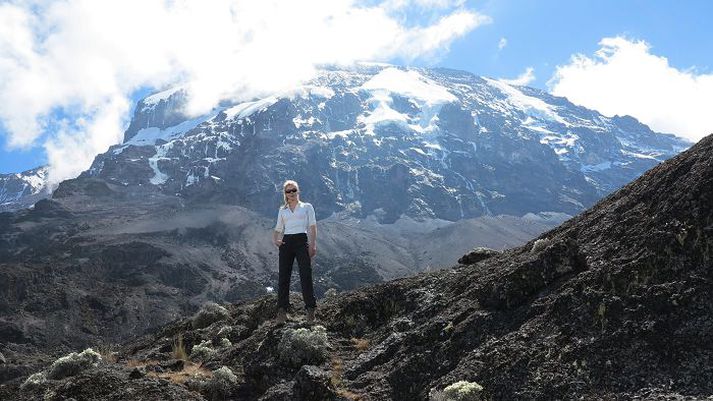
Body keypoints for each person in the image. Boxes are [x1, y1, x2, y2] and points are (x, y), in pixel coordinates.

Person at [272, 180, 318, 324]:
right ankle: (282, 311)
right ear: (285, 194)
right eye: (288, 191)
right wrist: (276, 240)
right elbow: (278, 228)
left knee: (305, 274)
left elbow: (312, 227)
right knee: (284, 276)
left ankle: (310, 310)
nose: (291, 193)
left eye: (294, 190)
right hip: (286, 243)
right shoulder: (282, 210)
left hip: (301, 240)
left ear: (298, 191)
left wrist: (312, 245)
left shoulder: (307, 207)